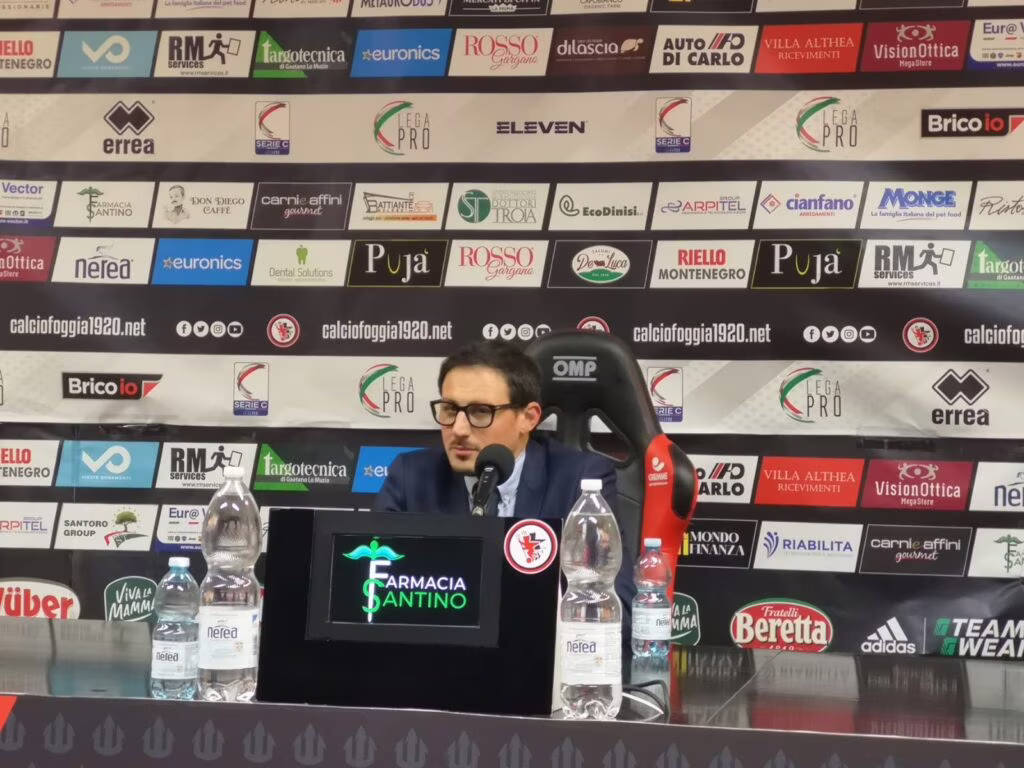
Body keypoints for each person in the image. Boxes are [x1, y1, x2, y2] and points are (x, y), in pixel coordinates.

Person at [373, 339, 636, 627]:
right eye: (449, 409)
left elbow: (614, 609)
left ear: (529, 418)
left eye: (480, 412)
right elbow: (374, 593)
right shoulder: (411, 476)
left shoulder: (580, 481)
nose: (458, 429)